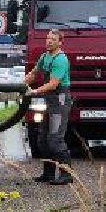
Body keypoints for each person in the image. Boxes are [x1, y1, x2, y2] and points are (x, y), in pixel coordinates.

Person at [24, 29, 73, 184]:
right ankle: (49, 174)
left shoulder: (60, 60)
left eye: (53, 39)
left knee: (55, 139)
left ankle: (67, 175)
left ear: (60, 43)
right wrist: (20, 84)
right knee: (43, 140)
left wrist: (34, 91)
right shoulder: (44, 57)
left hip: (59, 102)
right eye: (48, 38)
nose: (49, 41)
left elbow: (53, 84)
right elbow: (33, 74)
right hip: (50, 102)